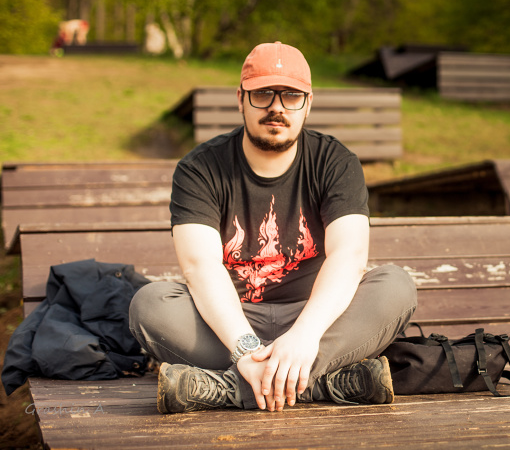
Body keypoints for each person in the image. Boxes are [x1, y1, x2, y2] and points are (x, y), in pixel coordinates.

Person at [129, 41, 417, 414]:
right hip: (230, 322)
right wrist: (245, 349)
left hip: (317, 319)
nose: (276, 107)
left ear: (308, 104)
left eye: (291, 96)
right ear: (241, 99)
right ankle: (321, 384)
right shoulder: (199, 169)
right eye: (263, 93)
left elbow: (349, 256)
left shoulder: (336, 162)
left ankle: (230, 389)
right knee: (150, 306)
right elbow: (200, 267)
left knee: (396, 286)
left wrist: (304, 337)